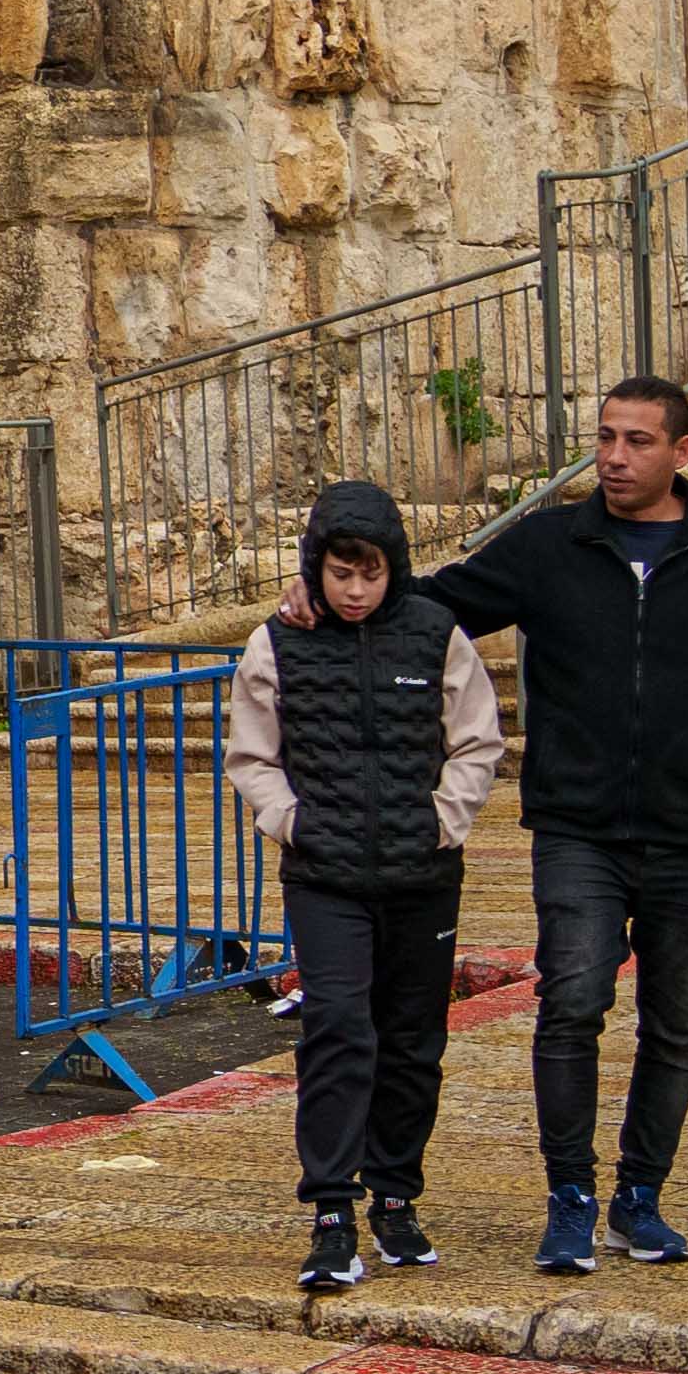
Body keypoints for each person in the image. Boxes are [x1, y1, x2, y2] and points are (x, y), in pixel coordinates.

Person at [287, 377, 688, 1277]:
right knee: (572, 1003)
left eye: (638, 441)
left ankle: (640, 1198)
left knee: (676, 1025)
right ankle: (569, 1198)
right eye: (605, 438)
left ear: (682, 453)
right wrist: (321, 587)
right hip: (577, 827)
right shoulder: (552, 542)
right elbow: (423, 601)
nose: (614, 457)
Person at [224, 481, 507, 1289]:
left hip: (423, 873)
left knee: (414, 1039)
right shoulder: (276, 641)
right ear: (316, 567)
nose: (354, 591)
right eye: (340, 573)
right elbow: (252, 754)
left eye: (370, 574)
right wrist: (294, 821)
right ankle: (329, 1210)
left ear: (394, 569)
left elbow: (477, 739)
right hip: (326, 875)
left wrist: (442, 819)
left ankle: (395, 1195)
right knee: (339, 1030)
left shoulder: (435, 633)